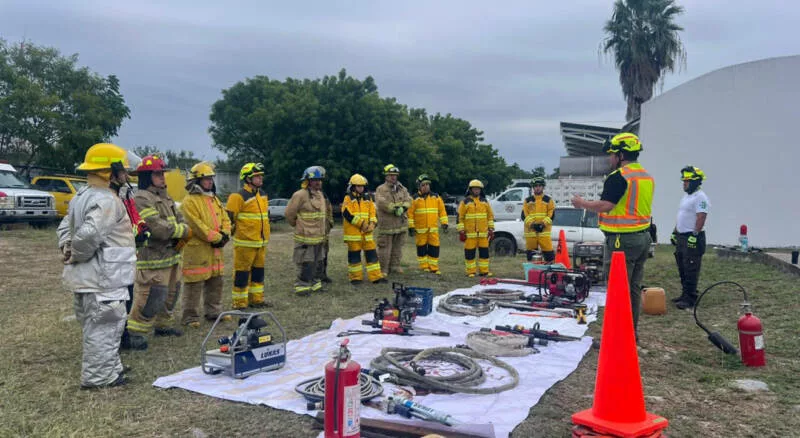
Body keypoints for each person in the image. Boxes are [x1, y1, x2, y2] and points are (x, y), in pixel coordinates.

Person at [57, 143, 136, 388]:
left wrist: (68, 248)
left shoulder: (82, 196)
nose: (126, 174)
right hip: (104, 278)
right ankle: (100, 378)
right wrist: (77, 253)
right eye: (122, 170)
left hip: (91, 278)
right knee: (105, 326)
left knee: (101, 326)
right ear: (110, 171)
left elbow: (65, 227)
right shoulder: (107, 200)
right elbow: (89, 234)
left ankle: (110, 368)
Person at [571, 132, 653, 337]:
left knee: (617, 290)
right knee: (633, 289)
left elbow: (606, 205)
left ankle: (617, 336)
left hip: (622, 240)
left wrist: (581, 204)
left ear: (621, 155)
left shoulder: (619, 177)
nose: (610, 158)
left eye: (612, 154)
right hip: (643, 238)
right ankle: (630, 333)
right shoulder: (645, 176)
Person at [126, 154, 190, 349]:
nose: (162, 177)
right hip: (153, 257)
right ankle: (136, 332)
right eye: (157, 174)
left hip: (171, 255)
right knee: (150, 296)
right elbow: (156, 227)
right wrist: (181, 231)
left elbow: (181, 218)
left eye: (162, 173)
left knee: (171, 293)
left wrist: (182, 228)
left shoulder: (165, 196)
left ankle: (163, 325)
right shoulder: (141, 198)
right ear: (147, 177)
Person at [180, 162, 232, 327]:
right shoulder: (189, 202)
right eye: (206, 179)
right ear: (196, 181)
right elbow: (197, 225)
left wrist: (225, 234)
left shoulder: (214, 198)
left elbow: (225, 219)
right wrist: (217, 238)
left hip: (215, 249)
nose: (210, 181)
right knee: (194, 284)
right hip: (198, 250)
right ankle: (190, 317)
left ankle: (214, 312)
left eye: (211, 178)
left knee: (216, 281)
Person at [225, 163, 271, 309]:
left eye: (260, 176)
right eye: (256, 176)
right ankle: (239, 303)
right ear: (247, 179)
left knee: (258, 273)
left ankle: (256, 300)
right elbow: (229, 219)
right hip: (245, 244)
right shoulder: (238, 196)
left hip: (260, 243)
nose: (260, 178)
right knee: (242, 274)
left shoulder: (263, 195)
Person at [671, 166, 709, 310]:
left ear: (694, 182)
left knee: (691, 267)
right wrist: (675, 232)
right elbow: (682, 216)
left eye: (686, 181)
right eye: (684, 181)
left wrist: (695, 235)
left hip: (692, 237)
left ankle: (690, 298)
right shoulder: (687, 197)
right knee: (682, 266)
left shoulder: (700, 197)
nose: (684, 184)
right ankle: (684, 294)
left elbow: (701, 217)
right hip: (682, 236)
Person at [285, 165, 328, 295]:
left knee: (318, 262)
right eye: (315, 180)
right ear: (307, 181)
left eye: (320, 180)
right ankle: (302, 287)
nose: (318, 182)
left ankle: (315, 285)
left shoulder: (320, 195)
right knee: (306, 262)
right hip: (305, 237)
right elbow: (289, 214)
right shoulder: (300, 195)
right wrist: (299, 226)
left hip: (319, 237)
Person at [341, 173, 385, 284]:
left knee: (372, 255)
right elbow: (347, 214)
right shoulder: (348, 198)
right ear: (352, 186)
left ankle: (376, 277)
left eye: (362, 186)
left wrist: (372, 224)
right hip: (353, 234)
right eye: (358, 186)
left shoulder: (368, 198)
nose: (361, 188)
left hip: (367, 234)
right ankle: (355, 278)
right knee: (354, 257)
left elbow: (373, 213)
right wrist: (362, 224)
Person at [374, 164, 412, 277]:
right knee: (384, 248)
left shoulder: (402, 188)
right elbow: (381, 202)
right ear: (386, 176)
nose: (393, 177)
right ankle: (383, 269)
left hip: (400, 224)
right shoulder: (381, 189)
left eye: (395, 175)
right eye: (391, 175)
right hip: (387, 224)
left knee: (397, 247)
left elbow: (409, 199)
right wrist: (394, 209)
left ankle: (395, 266)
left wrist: (403, 208)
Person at [408, 174, 449, 275]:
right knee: (421, 248)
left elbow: (442, 211)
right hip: (420, 230)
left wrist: (444, 223)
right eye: (423, 185)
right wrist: (411, 227)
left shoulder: (436, 197)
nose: (426, 187)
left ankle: (434, 267)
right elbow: (410, 214)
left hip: (433, 229)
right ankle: (424, 266)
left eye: (427, 184)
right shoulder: (414, 199)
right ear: (419, 186)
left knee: (434, 248)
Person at [457, 179, 495, 277]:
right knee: (470, 254)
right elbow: (460, 217)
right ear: (470, 190)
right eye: (474, 189)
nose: (476, 191)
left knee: (484, 254)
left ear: (481, 190)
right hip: (470, 234)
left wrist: (491, 229)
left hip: (483, 234)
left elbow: (490, 216)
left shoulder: (485, 201)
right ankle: (471, 272)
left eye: (478, 189)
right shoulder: (465, 202)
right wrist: (461, 231)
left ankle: (484, 271)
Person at [521, 176, 556, 263]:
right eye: (536, 186)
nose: (537, 188)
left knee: (549, 254)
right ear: (533, 188)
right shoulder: (527, 201)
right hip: (531, 232)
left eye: (540, 186)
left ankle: (548, 269)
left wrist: (542, 224)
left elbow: (551, 215)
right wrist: (532, 225)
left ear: (543, 187)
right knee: (531, 256)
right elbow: (524, 215)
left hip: (543, 231)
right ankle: (532, 270)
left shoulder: (548, 200)